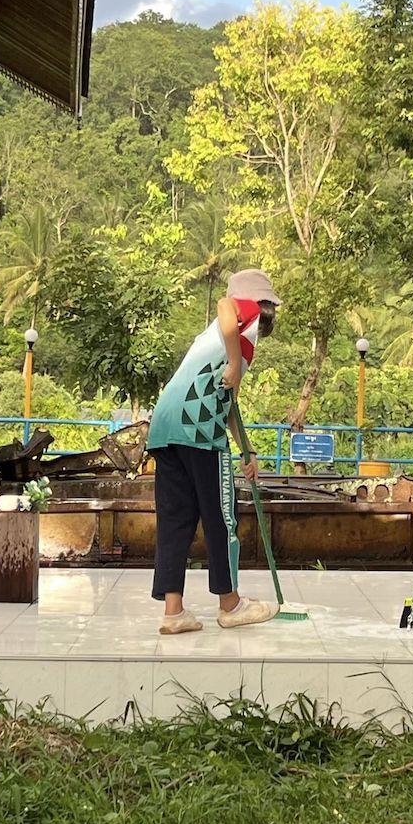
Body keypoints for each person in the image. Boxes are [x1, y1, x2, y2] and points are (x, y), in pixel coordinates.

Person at [147, 269, 282, 635]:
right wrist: (235, 362)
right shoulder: (242, 315)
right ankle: (230, 603)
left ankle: (174, 612)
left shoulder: (218, 339)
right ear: (263, 304)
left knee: (176, 519)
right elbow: (225, 304)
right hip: (198, 429)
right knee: (222, 516)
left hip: (165, 426)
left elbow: (229, 404)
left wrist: (247, 451)